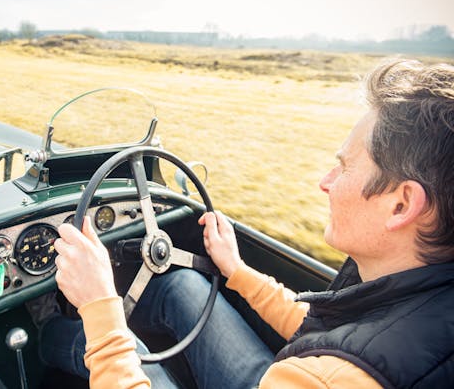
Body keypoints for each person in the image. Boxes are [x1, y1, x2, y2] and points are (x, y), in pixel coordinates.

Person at [34, 59, 454, 388]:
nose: (324, 183)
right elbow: (328, 330)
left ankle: (43, 333)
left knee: (128, 347)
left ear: (401, 205)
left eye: (343, 168)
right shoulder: (420, 297)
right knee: (183, 285)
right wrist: (238, 271)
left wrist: (99, 307)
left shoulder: (332, 381)